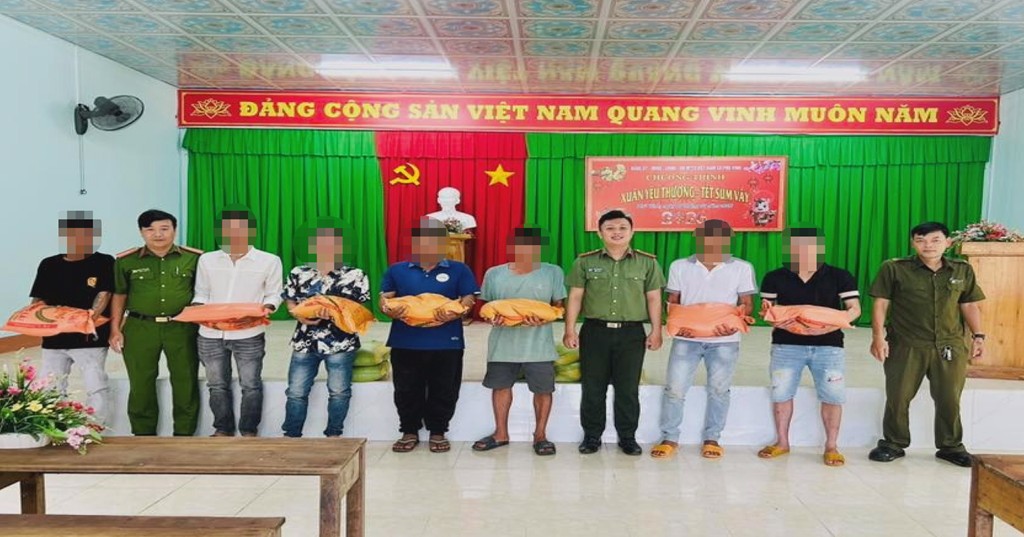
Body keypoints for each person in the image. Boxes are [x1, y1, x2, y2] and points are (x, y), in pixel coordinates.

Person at [868, 222, 985, 468]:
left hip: (950, 345)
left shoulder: (962, 270)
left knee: (949, 398)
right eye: (921, 240)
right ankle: (893, 443)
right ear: (913, 243)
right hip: (906, 344)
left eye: (935, 240)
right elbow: (881, 303)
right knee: (898, 396)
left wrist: (979, 336)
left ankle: (951, 446)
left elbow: (969, 304)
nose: (928, 245)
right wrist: (878, 336)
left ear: (948, 243)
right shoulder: (894, 268)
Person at [651, 219, 756, 460]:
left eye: (720, 238)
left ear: (728, 240)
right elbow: (673, 302)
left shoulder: (742, 268)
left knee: (719, 390)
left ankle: (712, 438)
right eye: (708, 237)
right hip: (686, 339)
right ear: (698, 238)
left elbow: (747, 304)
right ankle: (670, 438)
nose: (713, 243)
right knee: (675, 389)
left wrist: (732, 325)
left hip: (725, 340)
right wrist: (679, 325)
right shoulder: (680, 266)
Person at [756, 227, 861, 466]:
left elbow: (854, 309)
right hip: (786, 345)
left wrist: (827, 326)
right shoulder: (774, 277)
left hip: (829, 346)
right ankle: (782, 442)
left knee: (832, 395)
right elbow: (768, 311)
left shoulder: (839, 276)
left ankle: (831, 446)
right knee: (781, 393)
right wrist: (778, 320)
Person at [564, 210, 664, 456]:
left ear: (632, 231)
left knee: (628, 388)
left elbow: (654, 298)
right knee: (593, 387)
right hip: (594, 332)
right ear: (600, 233)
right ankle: (592, 436)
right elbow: (575, 297)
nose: (616, 232)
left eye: (622, 228)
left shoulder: (647, 262)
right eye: (610, 228)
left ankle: (627, 437)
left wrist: (656, 330)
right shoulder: (584, 262)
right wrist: (570, 329)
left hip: (632, 334)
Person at [380, 218, 479, 454]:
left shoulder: (459, 269)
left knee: (444, 387)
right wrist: (387, 309)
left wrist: (459, 311)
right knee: (406, 388)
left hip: (447, 341)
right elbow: (385, 299)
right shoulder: (397, 270)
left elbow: (469, 297)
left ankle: (438, 430)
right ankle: (409, 430)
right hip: (406, 340)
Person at [472, 228, 566, 456]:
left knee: (543, 390)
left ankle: (540, 436)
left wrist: (545, 317)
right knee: (500, 387)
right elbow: (484, 307)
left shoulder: (552, 272)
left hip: (539, 345)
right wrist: (491, 318)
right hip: (502, 345)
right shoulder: (494, 273)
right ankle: (501, 433)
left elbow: (559, 306)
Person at [109, 209, 202, 436]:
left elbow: (203, 293)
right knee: (140, 382)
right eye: (150, 229)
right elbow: (119, 295)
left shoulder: (194, 258)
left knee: (185, 381)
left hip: (182, 328)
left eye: (164, 228)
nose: (158, 234)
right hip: (140, 327)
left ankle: (184, 434)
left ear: (174, 230)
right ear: (141, 232)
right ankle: (143, 434)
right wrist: (115, 330)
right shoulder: (126, 261)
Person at [193, 208, 283, 437]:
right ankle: (222, 429)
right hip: (210, 334)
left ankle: (248, 430)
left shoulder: (269, 261)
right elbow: (201, 293)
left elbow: (274, 294)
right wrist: (197, 310)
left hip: (248, 332)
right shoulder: (207, 260)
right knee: (216, 385)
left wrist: (267, 308)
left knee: (250, 384)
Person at [281, 218, 370, 438]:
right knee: (296, 392)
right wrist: (298, 314)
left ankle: (333, 435)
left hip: (341, 342)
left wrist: (336, 313)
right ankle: (291, 436)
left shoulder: (355, 275)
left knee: (339, 392)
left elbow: (361, 309)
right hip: (304, 341)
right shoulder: (298, 272)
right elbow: (290, 300)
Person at [30, 211, 114, 425]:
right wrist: (36, 319)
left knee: (95, 385)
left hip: (89, 338)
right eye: (73, 235)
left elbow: (104, 294)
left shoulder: (104, 262)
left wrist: (87, 320)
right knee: (51, 386)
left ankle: (95, 427)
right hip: (54, 339)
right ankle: (54, 426)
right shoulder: (49, 264)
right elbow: (38, 299)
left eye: (85, 235)